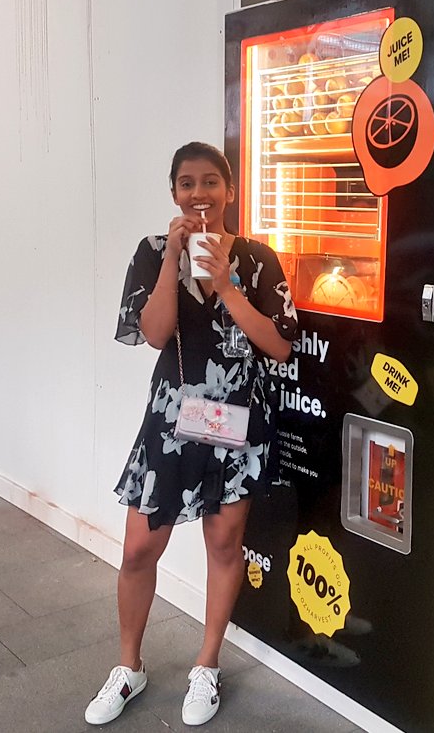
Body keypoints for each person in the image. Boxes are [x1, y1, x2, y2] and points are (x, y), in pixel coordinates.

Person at [85, 141, 299, 726]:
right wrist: (173, 261)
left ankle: (206, 665)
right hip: (172, 421)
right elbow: (154, 334)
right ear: (174, 192)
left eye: (210, 182)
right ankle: (128, 666)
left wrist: (226, 285)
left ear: (229, 190)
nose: (199, 193)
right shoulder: (153, 251)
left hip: (239, 421)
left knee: (224, 545)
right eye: (187, 183)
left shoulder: (258, 259)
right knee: (138, 548)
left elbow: (280, 345)